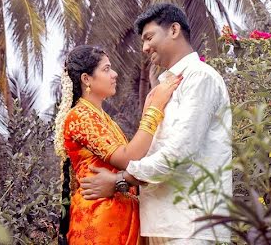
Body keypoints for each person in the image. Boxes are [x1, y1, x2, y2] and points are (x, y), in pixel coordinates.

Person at [80, 3, 233, 244]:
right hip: (161, 224)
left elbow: (179, 154)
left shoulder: (200, 77)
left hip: (191, 225)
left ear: (174, 30)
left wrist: (120, 181)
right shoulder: (164, 88)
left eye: (149, 37)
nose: (145, 47)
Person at [54, 44, 183, 245]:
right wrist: (155, 109)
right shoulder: (79, 116)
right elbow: (128, 158)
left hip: (117, 216)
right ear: (86, 79)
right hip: (99, 221)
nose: (114, 74)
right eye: (106, 69)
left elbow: (135, 156)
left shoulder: (101, 117)